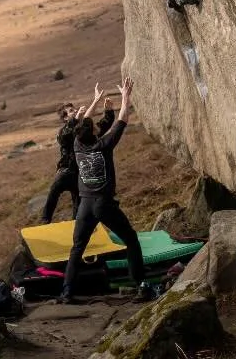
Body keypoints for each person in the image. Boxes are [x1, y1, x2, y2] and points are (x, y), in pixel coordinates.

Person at [58, 77, 155, 304]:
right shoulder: (103, 145)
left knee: (77, 247)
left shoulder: (77, 145)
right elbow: (121, 121)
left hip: (84, 205)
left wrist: (95, 100)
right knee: (130, 238)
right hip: (103, 204)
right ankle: (141, 285)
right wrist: (126, 97)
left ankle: (66, 293)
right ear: (94, 132)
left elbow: (82, 120)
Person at [41, 89, 121, 223]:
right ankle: (45, 220)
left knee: (79, 204)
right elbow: (64, 137)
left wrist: (108, 110)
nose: (76, 111)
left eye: (75, 109)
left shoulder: (85, 131)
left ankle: (75, 224)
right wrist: (77, 118)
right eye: (72, 111)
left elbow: (103, 126)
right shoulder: (64, 131)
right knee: (54, 191)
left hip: (81, 174)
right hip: (66, 172)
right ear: (66, 117)